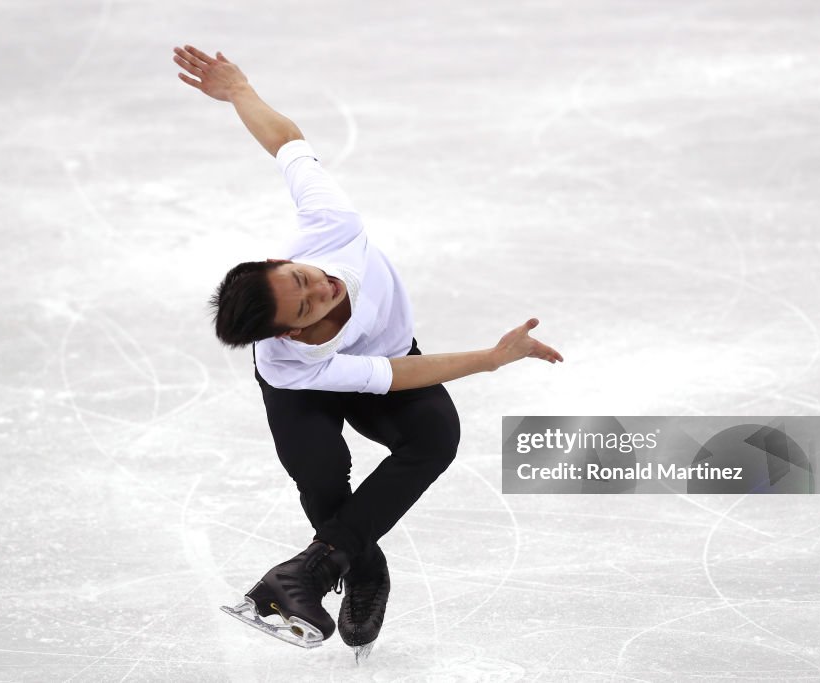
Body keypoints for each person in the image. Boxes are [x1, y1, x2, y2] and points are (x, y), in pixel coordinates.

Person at [173, 44, 564, 654]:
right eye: (305, 305)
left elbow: (287, 146)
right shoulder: (289, 360)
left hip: (388, 353)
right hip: (308, 387)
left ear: (284, 259)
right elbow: (354, 377)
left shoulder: (331, 228)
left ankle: (312, 567)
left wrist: (240, 91)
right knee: (319, 467)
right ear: (288, 332)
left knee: (435, 435)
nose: (320, 288)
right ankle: (360, 567)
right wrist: (486, 359)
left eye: (301, 277)